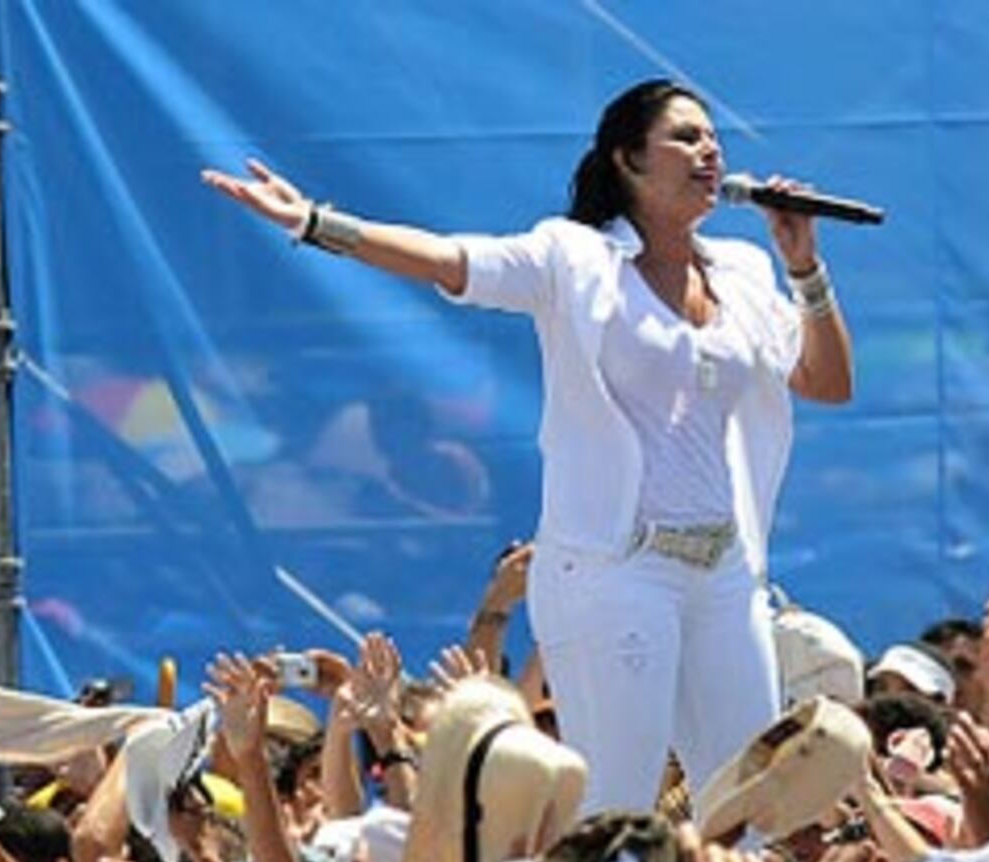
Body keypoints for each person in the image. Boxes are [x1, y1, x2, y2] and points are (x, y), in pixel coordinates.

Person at [204, 78, 855, 819]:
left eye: (712, 137)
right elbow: (451, 260)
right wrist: (317, 223)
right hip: (618, 569)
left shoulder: (740, 270)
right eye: (684, 136)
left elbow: (827, 381)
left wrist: (804, 264)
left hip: (725, 570)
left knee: (752, 805)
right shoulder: (573, 259)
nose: (708, 150)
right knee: (617, 812)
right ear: (628, 160)